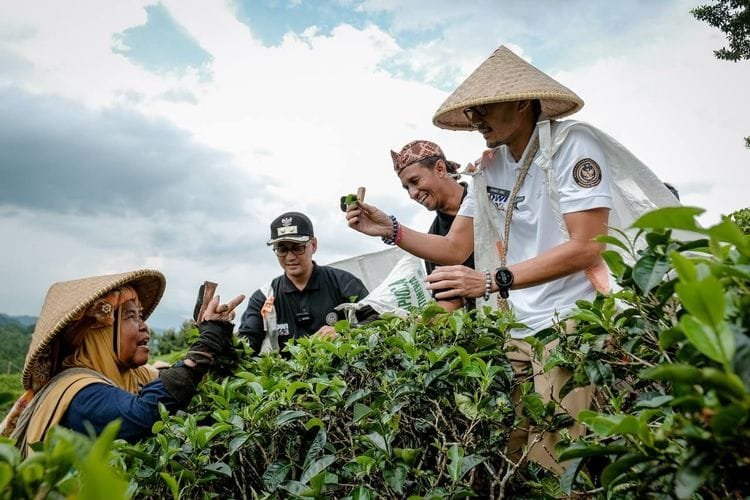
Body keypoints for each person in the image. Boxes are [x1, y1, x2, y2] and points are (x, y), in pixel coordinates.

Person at [346, 46, 678, 473]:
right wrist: (388, 230)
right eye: (471, 112)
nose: (475, 120)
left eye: (484, 108)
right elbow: (454, 248)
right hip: (518, 327)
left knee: (557, 456)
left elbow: (588, 246)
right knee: (517, 452)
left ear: (522, 101)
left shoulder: (572, 143)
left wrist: (489, 281)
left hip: (567, 321)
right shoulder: (490, 167)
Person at [0, 269, 244, 456]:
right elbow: (146, 414)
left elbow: (183, 381)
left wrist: (210, 333)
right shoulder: (75, 393)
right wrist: (206, 343)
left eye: (140, 316)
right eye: (130, 316)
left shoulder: (132, 376)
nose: (144, 326)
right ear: (98, 332)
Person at [238, 211, 377, 354]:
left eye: (298, 247)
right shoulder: (264, 296)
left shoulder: (344, 283)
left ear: (314, 245)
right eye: (282, 249)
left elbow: (378, 320)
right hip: (289, 375)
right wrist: (218, 327)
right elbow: (246, 346)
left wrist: (344, 333)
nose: (290, 257)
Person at [390, 140, 475, 311]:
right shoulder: (432, 238)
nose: (413, 194)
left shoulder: (487, 196)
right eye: (407, 188)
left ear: (440, 169)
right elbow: (450, 300)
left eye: (415, 181)